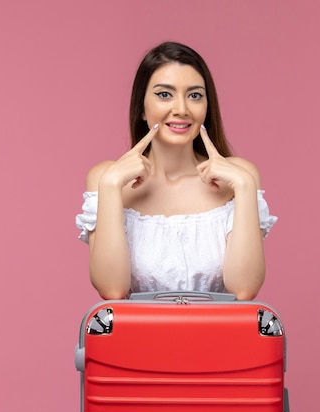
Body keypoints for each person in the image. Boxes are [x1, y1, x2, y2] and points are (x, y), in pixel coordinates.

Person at [76, 41, 277, 300]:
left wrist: (246, 186)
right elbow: (112, 289)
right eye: (164, 94)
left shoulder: (239, 176)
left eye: (194, 95)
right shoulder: (106, 178)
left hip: (221, 339)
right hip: (137, 340)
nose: (181, 109)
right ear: (141, 109)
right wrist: (111, 185)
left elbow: (244, 289)